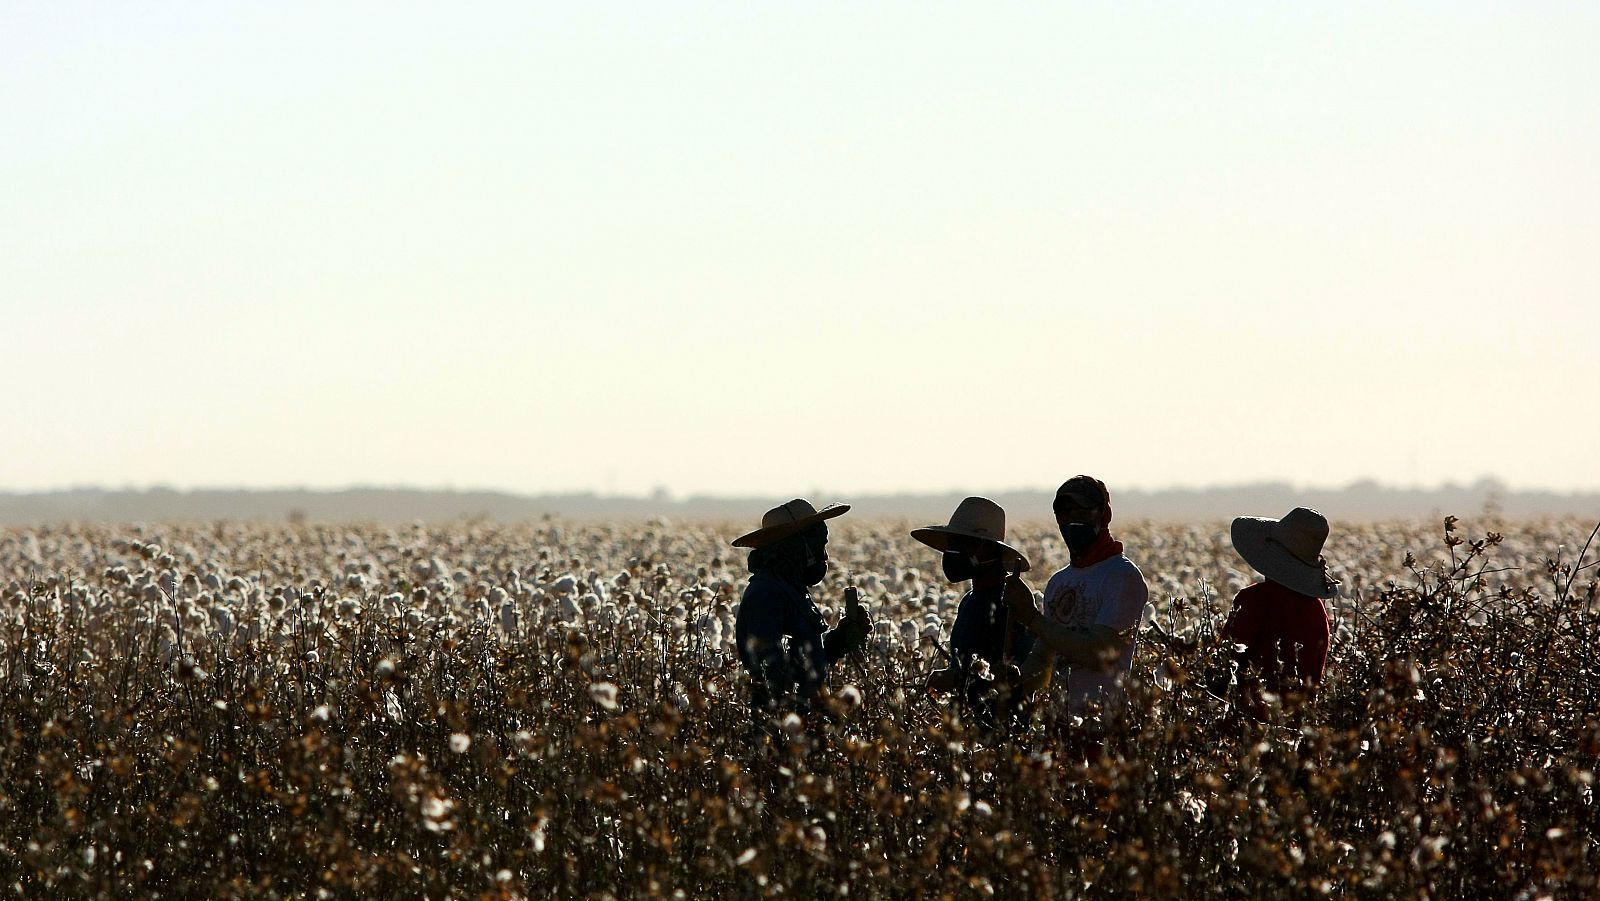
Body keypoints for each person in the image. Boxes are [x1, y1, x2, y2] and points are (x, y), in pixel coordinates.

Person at [1005, 475, 1148, 762]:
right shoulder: (1059, 582)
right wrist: (1010, 688)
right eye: (1064, 513)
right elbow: (1046, 658)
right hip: (1058, 727)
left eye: (1083, 512)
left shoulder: (1121, 577)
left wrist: (1031, 617)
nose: (1072, 521)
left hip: (1101, 728)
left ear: (1104, 515)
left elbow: (1101, 654)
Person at [732, 499, 871, 717]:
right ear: (797, 547)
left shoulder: (790, 590)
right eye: (818, 547)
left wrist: (840, 640)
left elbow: (804, 661)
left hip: (804, 726)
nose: (824, 556)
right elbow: (773, 676)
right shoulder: (766, 594)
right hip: (782, 733)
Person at [912, 497, 1037, 732]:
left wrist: (961, 679)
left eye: (959, 544)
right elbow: (970, 663)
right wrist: (952, 675)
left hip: (1005, 730)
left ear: (986, 548)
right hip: (971, 730)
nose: (951, 553)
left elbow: (1023, 672)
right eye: (951, 544)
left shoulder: (1012, 602)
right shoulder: (970, 601)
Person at [1221, 507, 1338, 724]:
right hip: (1300, 734)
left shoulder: (1252, 600)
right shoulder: (1317, 611)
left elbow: (1224, 664)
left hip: (1249, 731)